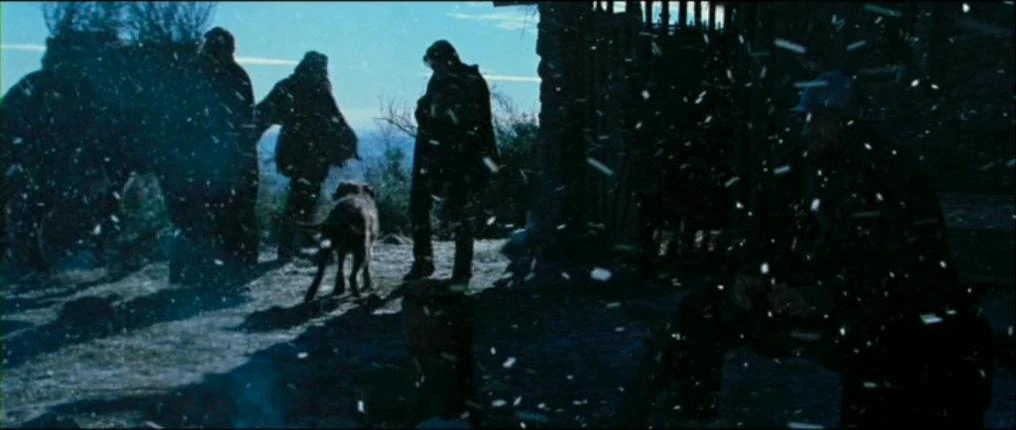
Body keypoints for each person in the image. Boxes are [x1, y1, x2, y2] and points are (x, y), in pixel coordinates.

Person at [630, 70, 995, 428]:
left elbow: (901, 268)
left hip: (866, 309)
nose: (812, 127)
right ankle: (690, 416)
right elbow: (767, 238)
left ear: (848, 122)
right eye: (809, 118)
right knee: (700, 313)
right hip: (800, 298)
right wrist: (752, 277)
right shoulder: (796, 172)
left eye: (822, 118)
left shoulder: (892, 177)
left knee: (892, 352)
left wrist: (824, 296)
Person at [404, 40, 499, 284]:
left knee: (460, 210)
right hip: (434, 152)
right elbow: (431, 115)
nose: (435, 69)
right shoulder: (439, 80)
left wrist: (483, 159)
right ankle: (423, 261)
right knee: (419, 204)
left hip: (460, 155)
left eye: (437, 64)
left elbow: (478, 122)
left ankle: (461, 271)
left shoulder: (471, 81)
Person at [255, 51, 359, 263]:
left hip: (301, 154)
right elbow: (335, 119)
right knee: (303, 198)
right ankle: (292, 245)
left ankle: (294, 244)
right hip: (309, 154)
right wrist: (347, 142)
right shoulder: (313, 88)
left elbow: (264, 114)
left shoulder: (291, 86)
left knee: (303, 197)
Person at [195, 27, 260, 274]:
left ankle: (234, 262)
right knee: (228, 208)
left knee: (232, 208)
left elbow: (239, 117)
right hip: (224, 154)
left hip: (228, 154)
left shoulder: (227, 75)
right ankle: (231, 261)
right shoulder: (224, 75)